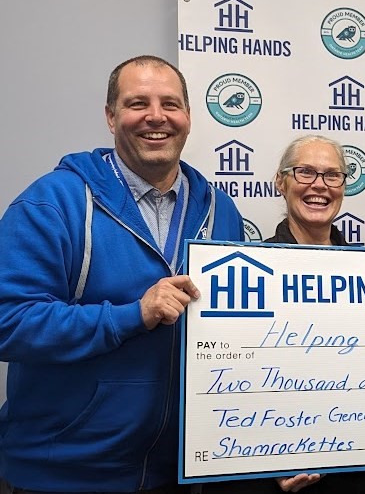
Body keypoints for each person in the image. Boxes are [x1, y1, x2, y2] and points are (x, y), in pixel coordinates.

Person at [0, 55, 244, 493]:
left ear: (187, 116)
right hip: (64, 475)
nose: (156, 116)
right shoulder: (53, 203)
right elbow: (7, 322)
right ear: (111, 117)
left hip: (181, 474)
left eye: (170, 103)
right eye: (137, 103)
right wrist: (132, 315)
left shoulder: (219, 209)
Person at [202, 134, 365, 494]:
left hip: (360, 475)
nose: (319, 186)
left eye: (332, 175)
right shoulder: (247, 273)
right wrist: (259, 462)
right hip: (278, 476)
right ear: (281, 182)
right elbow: (230, 382)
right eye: (305, 172)